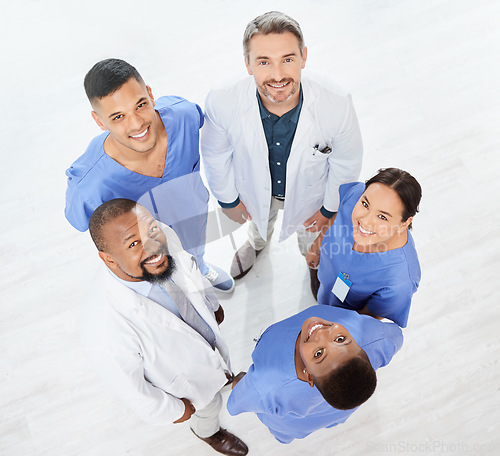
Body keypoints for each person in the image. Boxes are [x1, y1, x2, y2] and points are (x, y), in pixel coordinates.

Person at [201, 11, 363, 293]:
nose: (277, 76)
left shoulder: (336, 102)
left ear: (304, 57)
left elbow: (347, 161)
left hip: (312, 194)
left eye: (288, 59)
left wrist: (329, 208)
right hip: (253, 188)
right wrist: (228, 200)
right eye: (264, 62)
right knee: (260, 224)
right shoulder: (222, 100)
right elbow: (215, 155)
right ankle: (256, 244)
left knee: (311, 235)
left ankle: (314, 262)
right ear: (248, 64)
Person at [81, 199, 248, 456]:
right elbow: (134, 392)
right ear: (109, 260)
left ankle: (223, 377)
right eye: (133, 243)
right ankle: (207, 431)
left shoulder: (163, 235)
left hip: (204, 342)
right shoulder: (106, 331)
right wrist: (177, 410)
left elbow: (191, 270)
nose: (153, 244)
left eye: (151, 229)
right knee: (210, 406)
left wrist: (211, 305)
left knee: (219, 366)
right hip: (189, 387)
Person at [65, 58, 234, 292]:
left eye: (140, 105)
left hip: (193, 217)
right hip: (150, 250)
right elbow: (85, 223)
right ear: (99, 121)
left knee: (194, 250)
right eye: (118, 117)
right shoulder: (90, 184)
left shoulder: (184, 116)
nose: (137, 124)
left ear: (151, 94)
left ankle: (200, 269)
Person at [227, 304, 403, 444]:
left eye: (319, 354)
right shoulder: (374, 336)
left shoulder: (268, 387)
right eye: (340, 339)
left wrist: (241, 381)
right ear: (361, 348)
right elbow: (396, 336)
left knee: (284, 432)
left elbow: (235, 404)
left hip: (293, 424)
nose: (322, 333)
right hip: (334, 413)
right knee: (328, 419)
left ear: (309, 376)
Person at [307, 168, 422, 328]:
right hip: (324, 278)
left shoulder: (399, 280)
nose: (366, 221)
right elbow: (338, 215)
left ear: (404, 223)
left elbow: (367, 319)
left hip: (341, 316)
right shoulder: (356, 195)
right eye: (365, 204)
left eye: (382, 216)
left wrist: (333, 330)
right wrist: (316, 246)